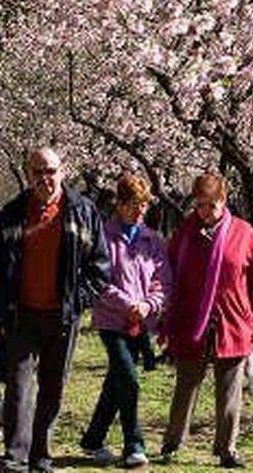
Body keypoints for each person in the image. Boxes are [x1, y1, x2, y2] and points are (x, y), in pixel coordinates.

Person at [0, 147, 111, 473]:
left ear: (63, 171)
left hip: (63, 317)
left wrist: (78, 299)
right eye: (37, 171)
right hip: (20, 315)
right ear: (28, 174)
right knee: (18, 385)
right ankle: (15, 456)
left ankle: (41, 455)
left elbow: (101, 267)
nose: (44, 178)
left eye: (50, 170)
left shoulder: (83, 211)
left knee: (53, 386)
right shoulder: (12, 213)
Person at [160, 172, 253, 469]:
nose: (205, 212)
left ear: (224, 201)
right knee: (186, 385)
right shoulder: (185, 232)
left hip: (233, 321)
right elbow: (169, 274)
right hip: (191, 320)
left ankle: (227, 449)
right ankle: (172, 442)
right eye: (199, 205)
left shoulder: (244, 233)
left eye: (211, 205)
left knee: (230, 389)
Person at [79, 174, 171, 468]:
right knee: (128, 381)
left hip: (141, 322)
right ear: (118, 204)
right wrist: (128, 304)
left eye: (144, 204)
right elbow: (99, 280)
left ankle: (93, 439)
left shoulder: (153, 240)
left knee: (117, 381)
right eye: (133, 204)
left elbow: (163, 280)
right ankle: (135, 444)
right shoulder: (103, 237)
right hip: (111, 322)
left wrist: (149, 304)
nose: (139, 210)